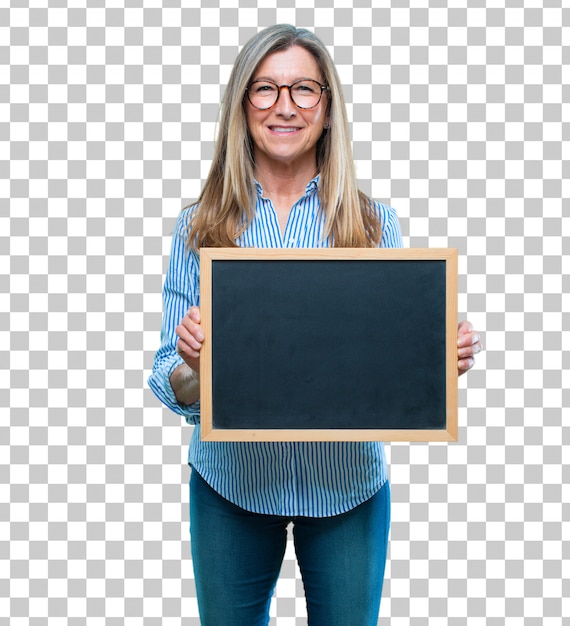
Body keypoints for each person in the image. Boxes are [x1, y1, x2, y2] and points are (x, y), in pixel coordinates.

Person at [148, 24, 482, 626]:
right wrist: (196, 369)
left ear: (328, 108)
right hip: (231, 486)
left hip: (347, 485)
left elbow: (393, 369)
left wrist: (435, 358)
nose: (284, 107)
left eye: (304, 90)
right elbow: (169, 384)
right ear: (241, 105)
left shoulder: (374, 224)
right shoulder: (198, 226)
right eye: (265, 89)